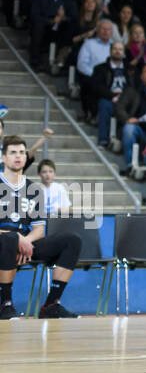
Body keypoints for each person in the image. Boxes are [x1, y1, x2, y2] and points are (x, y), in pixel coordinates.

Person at [0, 136, 80, 318]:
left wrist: (25, 241)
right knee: (9, 239)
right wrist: (16, 240)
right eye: (13, 152)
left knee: (71, 240)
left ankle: (51, 304)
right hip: (3, 242)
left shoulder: (34, 189)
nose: (18, 156)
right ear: (3, 157)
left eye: (21, 152)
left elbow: (39, 229)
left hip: (26, 244)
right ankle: (5, 304)